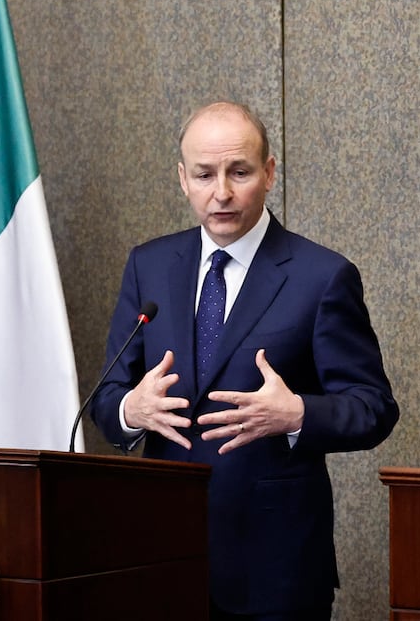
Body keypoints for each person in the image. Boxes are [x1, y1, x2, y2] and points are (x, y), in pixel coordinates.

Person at [89, 101, 400, 620]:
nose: (222, 192)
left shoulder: (322, 277)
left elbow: (373, 408)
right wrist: (129, 411)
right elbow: (106, 398)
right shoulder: (149, 265)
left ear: (269, 172)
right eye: (205, 175)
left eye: (240, 172)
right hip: (162, 561)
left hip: (275, 570)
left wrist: (297, 414)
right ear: (182, 179)